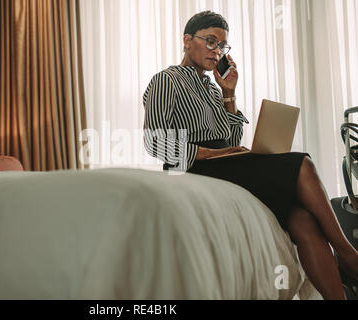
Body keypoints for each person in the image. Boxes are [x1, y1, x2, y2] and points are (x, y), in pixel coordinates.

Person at [142, 10, 358, 300]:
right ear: (186, 40)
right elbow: (155, 140)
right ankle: (347, 254)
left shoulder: (211, 88)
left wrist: (229, 92)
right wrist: (211, 153)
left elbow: (231, 139)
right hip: (196, 167)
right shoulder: (167, 80)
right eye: (209, 41)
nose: (215, 50)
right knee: (302, 163)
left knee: (302, 219)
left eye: (221, 46)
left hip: (224, 162)